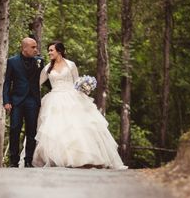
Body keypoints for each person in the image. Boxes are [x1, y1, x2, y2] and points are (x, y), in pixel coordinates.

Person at [32, 41, 127, 169]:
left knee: (78, 128)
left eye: (51, 50)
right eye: (48, 50)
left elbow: (77, 83)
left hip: (72, 97)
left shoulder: (71, 65)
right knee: (56, 128)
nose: (49, 53)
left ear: (59, 51)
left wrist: (85, 86)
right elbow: (36, 83)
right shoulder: (47, 67)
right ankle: (61, 158)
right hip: (54, 99)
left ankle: (85, 158)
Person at [2, 37, 44, 167]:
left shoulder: (39, 61)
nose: (36, 49)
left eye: (36, 47)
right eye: (33, 47)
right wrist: (6, 101)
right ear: (24, 48)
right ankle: (13, 161)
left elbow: (46, 79)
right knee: (15, 129)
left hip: (32, 100)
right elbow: (7, 82)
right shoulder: (12, 61)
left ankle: (28, 160)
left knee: (31, 131)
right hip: (17, 101)